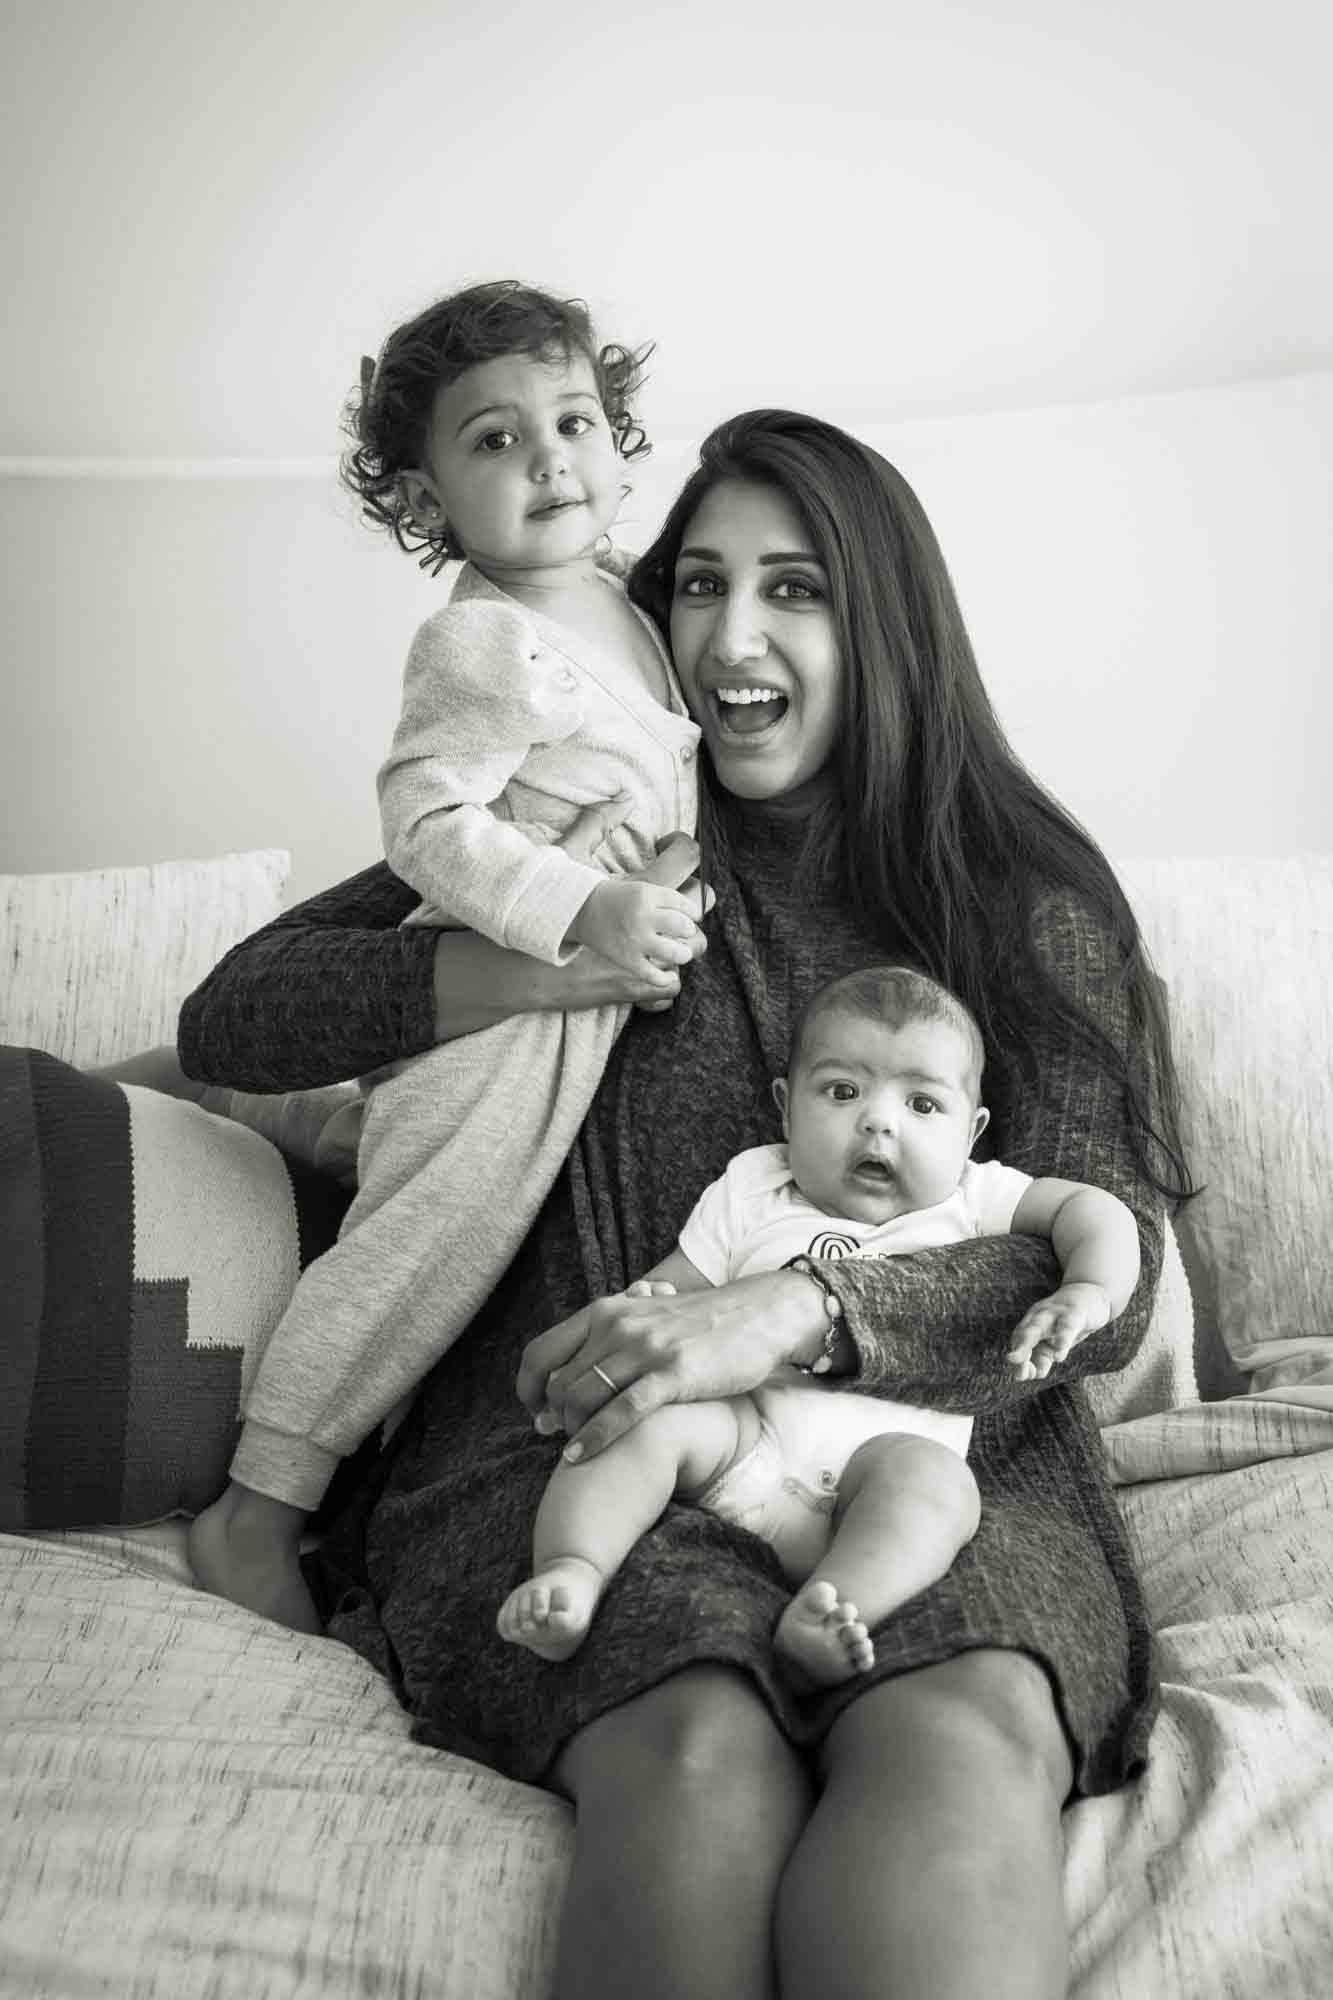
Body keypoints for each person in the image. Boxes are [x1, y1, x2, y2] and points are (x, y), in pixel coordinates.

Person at [179, 406, 1194, 2000]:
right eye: (698, 584)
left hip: (943, 1462)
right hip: (582, 1443)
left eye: (794, 590)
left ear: (885, 628)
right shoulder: (590, 818)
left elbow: (1110, 1258)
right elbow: (235, 1018)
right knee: (699, 1745)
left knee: (956, 1729)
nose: (731, 633)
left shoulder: (1022, 899)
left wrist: (798, 1311)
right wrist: (546, 946)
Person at [188, 281, 704, 1633]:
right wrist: (579, 911)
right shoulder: (488, 636)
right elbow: (422, 817)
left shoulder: (630, 611)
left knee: (447, 1214)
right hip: (497, 1008)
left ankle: (309, 1126)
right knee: (425, 1247)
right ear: (425, 497)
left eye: (575, 420)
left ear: (619, 437)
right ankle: (257, 1511)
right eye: (493, 440)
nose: (548, 459)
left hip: (579, 1024)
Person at [498, 962, 1142, 1686]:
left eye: (923, 1106)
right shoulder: (752, 1186)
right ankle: (572, 1571)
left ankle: (836, 1607)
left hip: (878, 1472)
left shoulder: (973, 1198)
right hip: (743, 1448)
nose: (878, 1120)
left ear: (972, 1131)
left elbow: (1094, 1211)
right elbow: (678, 1292)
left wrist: (1089, 1289)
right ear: (785, 1108)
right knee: (638, 1422)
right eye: (842, 1092)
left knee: (936, 1488)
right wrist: (646, 1300)